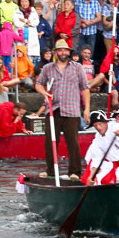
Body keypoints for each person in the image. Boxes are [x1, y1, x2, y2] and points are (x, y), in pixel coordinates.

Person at [35, 38, 90, 179]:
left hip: (72, 110)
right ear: (55, 52)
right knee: (50, 142)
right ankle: (51, 171)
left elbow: (85, 88)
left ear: (69, 52)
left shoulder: (77, 67)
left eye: (65, 50)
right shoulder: (48, 68)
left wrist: (87, 109)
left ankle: (75, 172)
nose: (63, 52)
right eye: (60, 50)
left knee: (73, 143)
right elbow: (38, 84)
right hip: (53, 109)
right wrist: (44, 92)